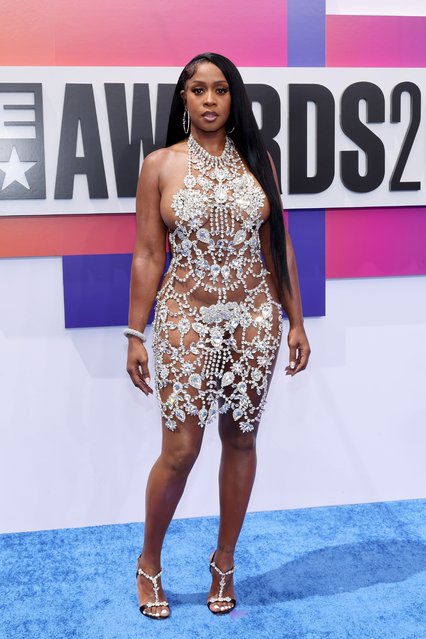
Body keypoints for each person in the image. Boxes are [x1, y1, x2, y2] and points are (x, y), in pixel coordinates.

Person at [125, 52, 311, 619]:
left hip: (255, 318)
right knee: (181, 449)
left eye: (220, 89)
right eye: (198, 89)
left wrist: (296, 319)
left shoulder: (261, 161)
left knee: (242, 439)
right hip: (184, 317)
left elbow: (277, 248)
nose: (209, 100)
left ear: (234, 98)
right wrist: (136, 332)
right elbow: (148, 254)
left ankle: (224, 561)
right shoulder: (159, 164)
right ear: (183, 98)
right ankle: (149, 562)